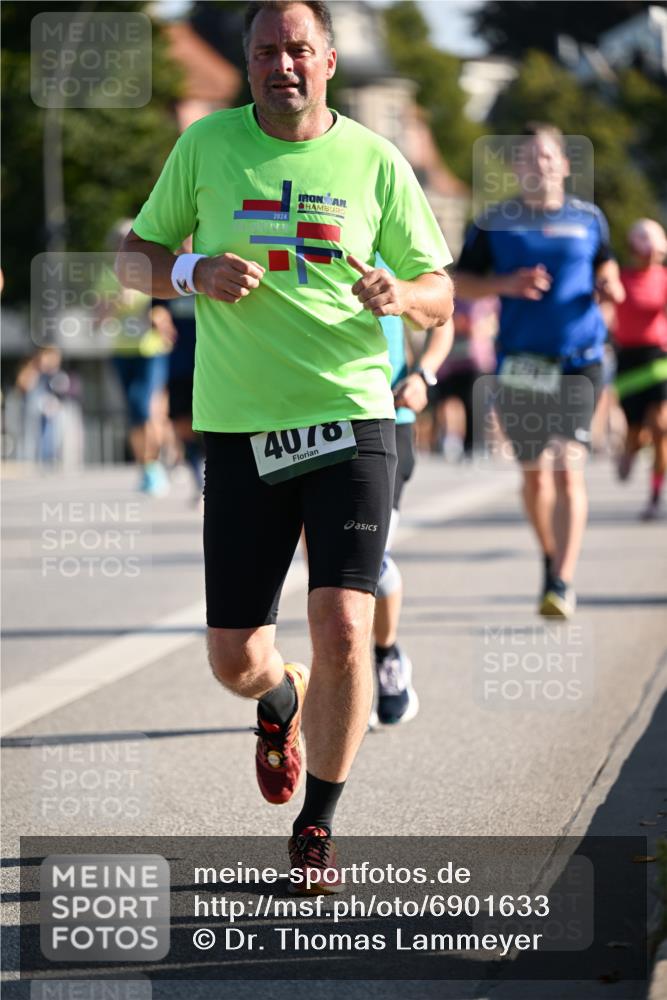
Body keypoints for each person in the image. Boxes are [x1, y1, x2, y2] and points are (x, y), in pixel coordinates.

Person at [116, 0, 453, 889]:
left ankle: (318, 825)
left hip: (351, 418)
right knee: (234, 656)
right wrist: (191, 271)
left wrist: (402, 296)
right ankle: (279, 699)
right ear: (249, 62)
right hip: (239, 427)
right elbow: (132, 255)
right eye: (266, 50)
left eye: (298, 49)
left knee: (343, 621)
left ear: (329, 60)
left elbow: (440, 290)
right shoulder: (207, 147)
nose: (282, 65)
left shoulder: (375, 160)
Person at [456, 123, 625, 619]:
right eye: (528, 158)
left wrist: (609, 284)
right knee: (535, 479)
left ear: (565, 164)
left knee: (566, 465)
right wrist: (505, 284)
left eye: (548, 157)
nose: (540, 165)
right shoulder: (493, 223)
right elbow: (457, 283)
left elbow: (605, 264)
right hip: (522, 363)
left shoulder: (589, 218)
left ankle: (562, 580)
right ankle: (551, 556)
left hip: (579, 360)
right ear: (516, 168)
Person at [372, 255, 453, 725]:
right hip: (307, 419)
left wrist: (423, 375)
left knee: (366, 560)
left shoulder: (387, 241)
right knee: (325, 563)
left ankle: (385, 656)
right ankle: (343, 674)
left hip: (388, 419)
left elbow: (443, 319)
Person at [613, 218, 667, 520]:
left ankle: (655, 495)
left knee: (661, 427)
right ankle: (630, 450)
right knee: (637, 429)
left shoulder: (664, 278)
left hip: (659, 357)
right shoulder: (620, 277)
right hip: (628, 360)